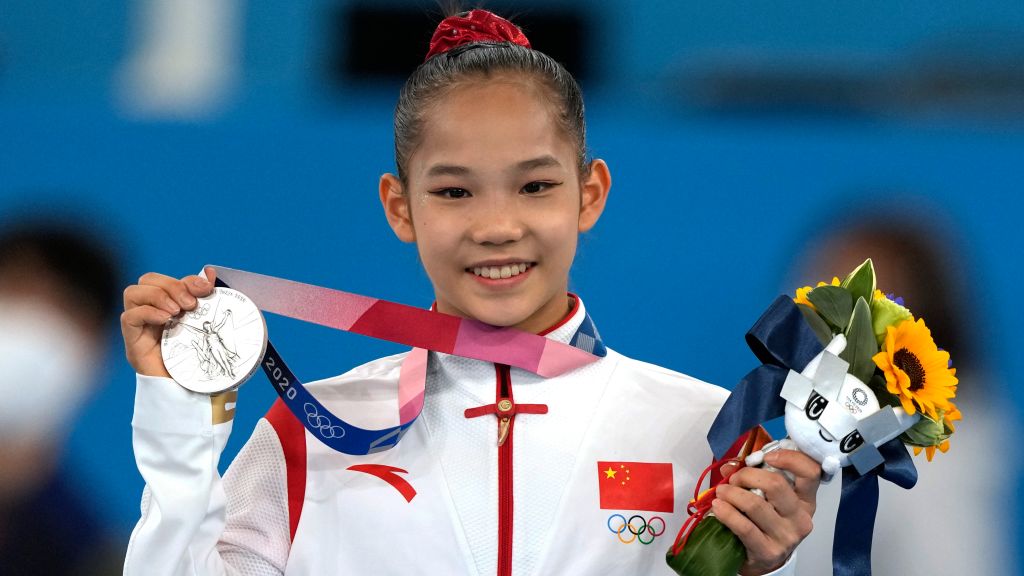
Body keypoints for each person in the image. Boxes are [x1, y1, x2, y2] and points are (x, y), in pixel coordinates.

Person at [121, 10, 821, 576]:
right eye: (454, 191)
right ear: (400, 208)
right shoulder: (310, 433)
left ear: (590, 195)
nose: (497, 226)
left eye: (536, 186)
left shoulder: (709, 434)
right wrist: (179, 421)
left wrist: (765, 570)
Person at [0, 220, 123, 575]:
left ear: (97, 359)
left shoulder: (108, 565)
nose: (33, 321)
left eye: (66, 305)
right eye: (16, 288)